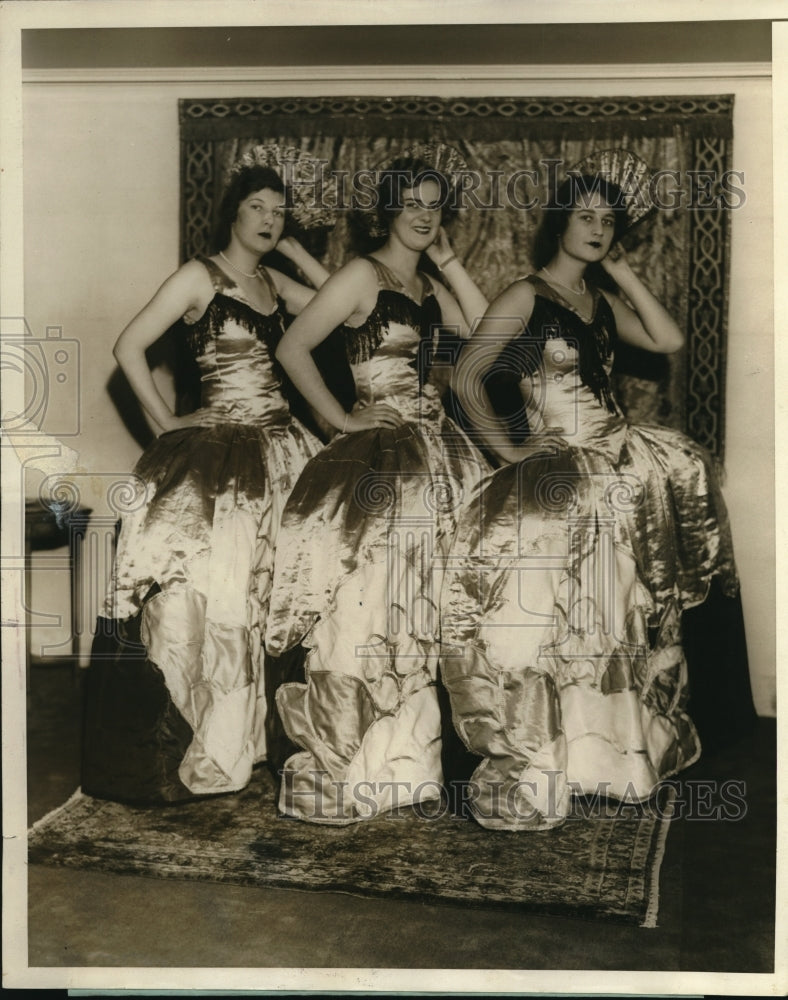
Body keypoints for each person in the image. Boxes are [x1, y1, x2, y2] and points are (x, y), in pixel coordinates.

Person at [440, 166, 757, 831]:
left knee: (615, 612)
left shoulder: (598, 300)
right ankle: (548, 756)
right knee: (560, 619)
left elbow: (668, 340)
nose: (597, 228)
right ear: (559, 222)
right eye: (585, 217)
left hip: (620, 468)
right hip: (564, 467)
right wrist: (509, 452)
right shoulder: (525, 295)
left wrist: (619, 269)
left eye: (608, 221)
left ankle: (610, 761)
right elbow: (467, 377)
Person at [81, 160, 332, 804]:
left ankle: (264, 740)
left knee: (276, 593)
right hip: (221, 457)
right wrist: (167, 423)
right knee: (217, 595)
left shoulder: (273, 281)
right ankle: (208, 740)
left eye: (279, 211)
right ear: (232, 213)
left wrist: (295, 250)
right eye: (258, 207)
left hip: (284, 450)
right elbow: (128, 346)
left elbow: (343, 310)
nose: (269, 219)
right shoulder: (200, 276)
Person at [264, 151, 490, 824]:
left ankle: (407, 768)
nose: (423, 215)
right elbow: (292, 347)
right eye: (411, 203)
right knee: (370, 603)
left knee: (423, 606)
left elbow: (491, 335)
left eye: (434, 205)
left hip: (439, 455)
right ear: (388, 209)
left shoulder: (429, 286)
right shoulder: (362, 275)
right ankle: (349, 762)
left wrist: (449, 262)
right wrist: (341, 419)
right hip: (380, 457)